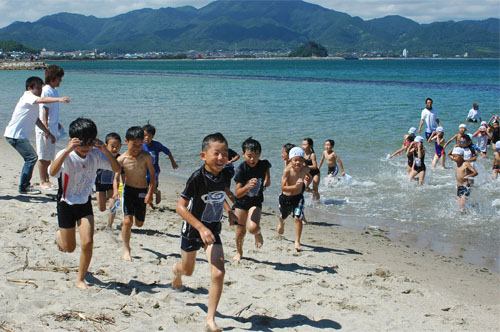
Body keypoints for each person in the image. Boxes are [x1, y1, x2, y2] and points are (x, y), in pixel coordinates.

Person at [171, 133, 238, 332]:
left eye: (225, 154)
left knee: (218, 273)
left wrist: (229, 211)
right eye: (216, 153)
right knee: (188, 270)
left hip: (213, 230)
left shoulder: (225, 174)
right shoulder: (196, 178)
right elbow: (180, 207)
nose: (221, 158)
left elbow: (218, 195)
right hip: (193, 229)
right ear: (203, 155)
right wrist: (200, 227)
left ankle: (210, 320)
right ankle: (177, 271)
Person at [48, 118, 121, 289]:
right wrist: (66, 150)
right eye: (81, 142)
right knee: (69, 248)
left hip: (84, 203)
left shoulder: (95, 155)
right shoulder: (66, 155)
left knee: (88, 242)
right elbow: (52, 172)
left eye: (89, 142)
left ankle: (80, 278)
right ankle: (60, 235)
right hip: (65, 203)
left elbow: (117, 168)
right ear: (74, 140)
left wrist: (104, 149)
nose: (86, 146)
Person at [4, 76, 70, 195]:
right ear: (29, 88)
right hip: (15, 135)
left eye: (41, 88)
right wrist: (59, 99)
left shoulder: (32, 102)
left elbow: (37, 120)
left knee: (30, 158)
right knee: (31, 158)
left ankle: (24, 185)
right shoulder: (28, 96)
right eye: (37, 88)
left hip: (17, 136)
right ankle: (24, 186)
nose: (40, 91)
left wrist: (49, 133)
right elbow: (42, 100)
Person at [114, 127, 156, 261]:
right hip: (129, 191)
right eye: (134, 145)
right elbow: (115, 178)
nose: (137, 148)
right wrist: (115, 191)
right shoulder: (121, 159)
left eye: (140, 145)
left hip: (142, 192)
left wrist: (150, 193)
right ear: (126, 141)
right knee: (127, 221)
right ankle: (126, 249)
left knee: (139, 223)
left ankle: (135, 221)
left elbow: (153, 176)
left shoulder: (146, 156)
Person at [232, 137, 271, 261]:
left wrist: (268, 179)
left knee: (253, 227)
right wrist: (248, 186)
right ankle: (239, 252)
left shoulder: (263, 164)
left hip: (255, 201)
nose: (253, 159)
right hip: (241, 203)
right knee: (240, 230)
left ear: (260, 154)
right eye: (249, 156)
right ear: (243, 154)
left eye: (256, 155)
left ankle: (257, 233)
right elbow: (237, 193)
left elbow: (267, 166)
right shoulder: (241, 170)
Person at [36, 65, 66, 190]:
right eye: (59, 78)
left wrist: (56, 123)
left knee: (49, 155)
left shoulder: (54, 90)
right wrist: (46, 128)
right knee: (43, 156)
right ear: (54, 78)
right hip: (45, 129)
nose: (61, 80)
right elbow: (45, 109)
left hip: (52, 127)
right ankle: (43, 181)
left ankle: (47, 180)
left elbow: (52, 110)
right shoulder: (47, 90)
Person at [277, 147, 311, 251]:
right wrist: (295, 187)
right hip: (285, 198)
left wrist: (306, 182)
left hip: (298, 197)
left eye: (301, 160)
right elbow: (283, 187)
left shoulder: (305, 169)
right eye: (295, 160)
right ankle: (281, 222)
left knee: (298, 218)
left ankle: (297, 241)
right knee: (284, 215)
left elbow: (309, 175)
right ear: (291, 160)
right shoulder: (287, 170)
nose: (298, 162)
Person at [142, 123, 178, 206]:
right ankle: (150, 205)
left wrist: (173, 162)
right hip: (144, 171)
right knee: (146, 188)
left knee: (153, 188)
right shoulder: (140, 145)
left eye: (149, 135)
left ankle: (157, 192)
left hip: (155, 170)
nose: (147, 137)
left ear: (153, 136)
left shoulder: (157, 145)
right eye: (145, 135)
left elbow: (168, 152)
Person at [95, 132, 122, 230]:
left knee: (113, 204)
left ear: (121, 146)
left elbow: (120, 175)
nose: (115, 149)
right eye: (112, 146)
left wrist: (118, 190)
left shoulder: (120, 158)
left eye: (117, 146)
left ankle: (109, 225)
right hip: (100, 184)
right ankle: (106, 207)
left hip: (112, 185)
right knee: (101, 208)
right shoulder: (101, 155)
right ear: (106, 146)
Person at [448, 147, 477, 213]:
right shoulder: (457, 162)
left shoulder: (466, 164)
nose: (454, 158)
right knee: (459, 204)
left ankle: (465, 216)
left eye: (456, 156)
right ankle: (465, 214)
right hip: (459, 187)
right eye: (453, 156)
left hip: (465, 186)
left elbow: (475, 172)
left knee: (462, 203)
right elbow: (449, 154)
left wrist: (469, 176)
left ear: (461, 156)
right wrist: (454, 146)